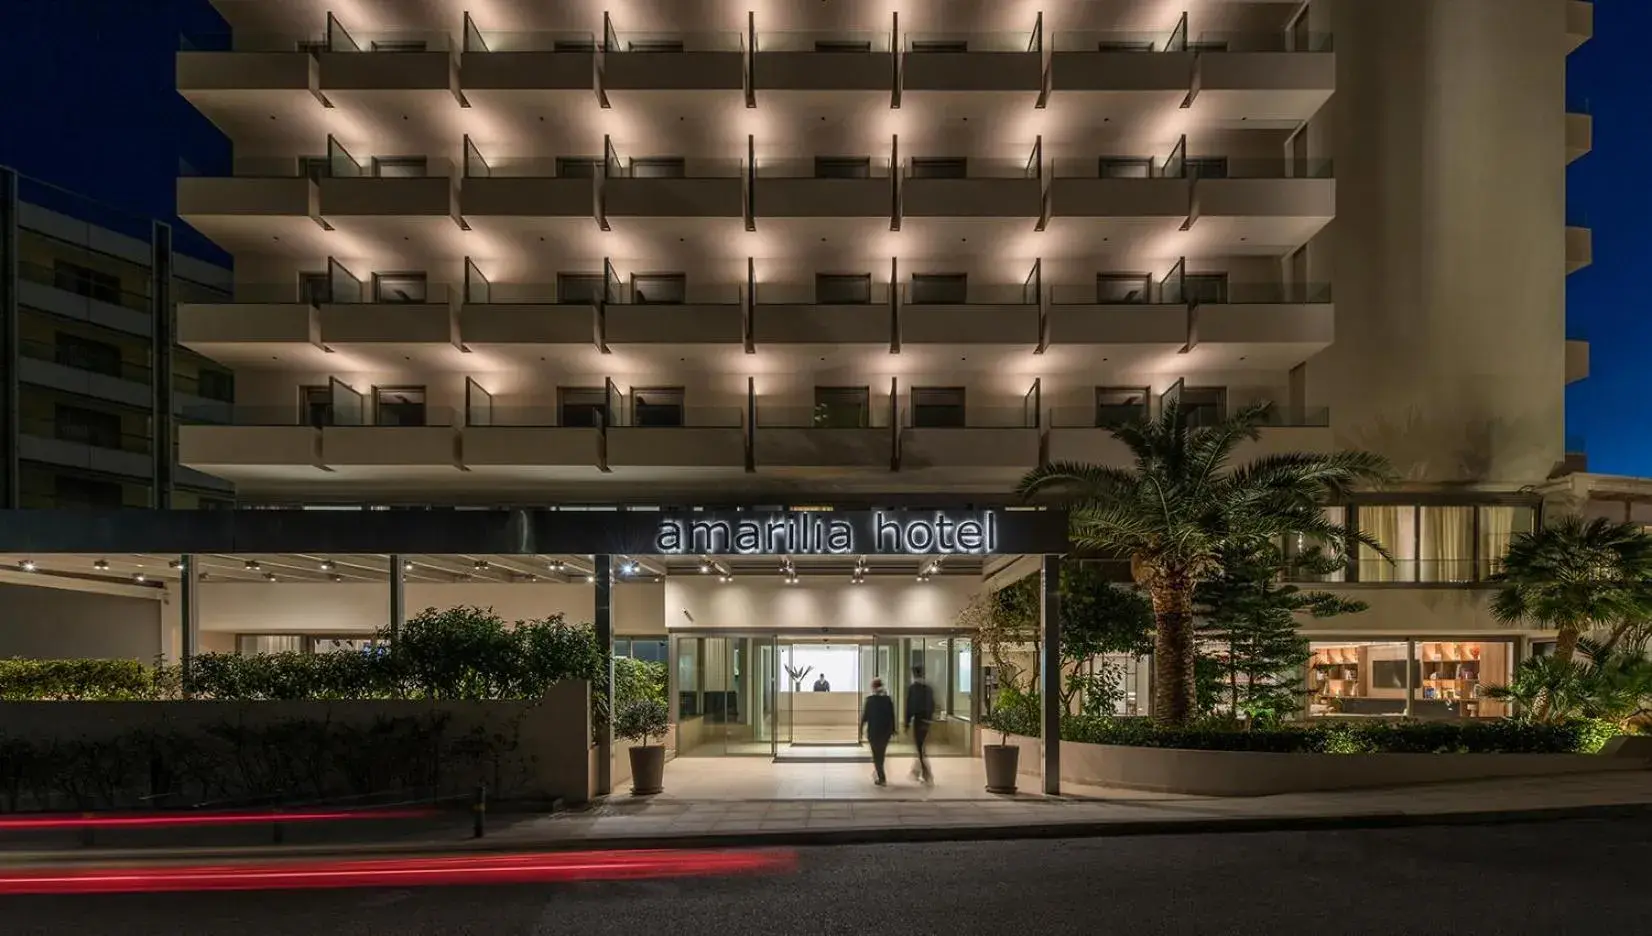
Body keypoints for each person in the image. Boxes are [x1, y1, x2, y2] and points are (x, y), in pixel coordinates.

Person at [860, 677, 895, 785]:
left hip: (873, 733)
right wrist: (893, 730)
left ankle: (881, 777)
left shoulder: (870, 700)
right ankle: (879, 773)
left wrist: (860, 729)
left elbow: (864, 717)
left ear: (873, 688)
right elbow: (892, 716)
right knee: (881, 754)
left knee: (876, 755)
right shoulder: (887, 700)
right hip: (885, 733)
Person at [905, 664, 935, 784]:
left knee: (920, 748)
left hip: (918, 721)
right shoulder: (928, 689)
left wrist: (906, 723)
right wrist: (929, 719)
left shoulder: (913, 689)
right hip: (926, 721)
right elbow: (932, 705)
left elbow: (910, 706)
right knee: (921, 747)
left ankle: (927, 774)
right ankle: (916, 771)